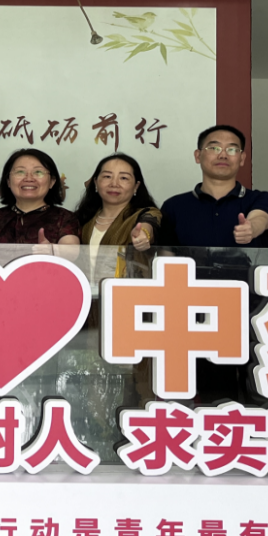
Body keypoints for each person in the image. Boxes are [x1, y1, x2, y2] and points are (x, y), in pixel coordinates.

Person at [157, 124, 268, 404]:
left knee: (255, 390)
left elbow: (262, 218)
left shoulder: (259, 199)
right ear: (198, 155)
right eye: (214, 147)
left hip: (250, 313)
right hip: (193, 315)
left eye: (232, 149)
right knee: (205, 392)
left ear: (242, 158)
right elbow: (166, 260)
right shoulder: (175, 206)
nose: (223, 154)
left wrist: (252, 228)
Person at [73, 153, 162, 404]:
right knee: (89, 379)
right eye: (107, 177)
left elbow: (150, 225)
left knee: (131, 379)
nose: (114, 183)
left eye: (124, 178)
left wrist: (143, 236)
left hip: (128, 312)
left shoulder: (145, 214)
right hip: (86, 312)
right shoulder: (80, 221)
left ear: (136, 186)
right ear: (95, 183)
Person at [0, 148, 81, 248]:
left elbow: (71, 251)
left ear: (52, 182)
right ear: (8, 181)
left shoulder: (64, 218)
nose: (29, 178)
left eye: (38, 172)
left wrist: (53, 251)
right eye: (20, 172)